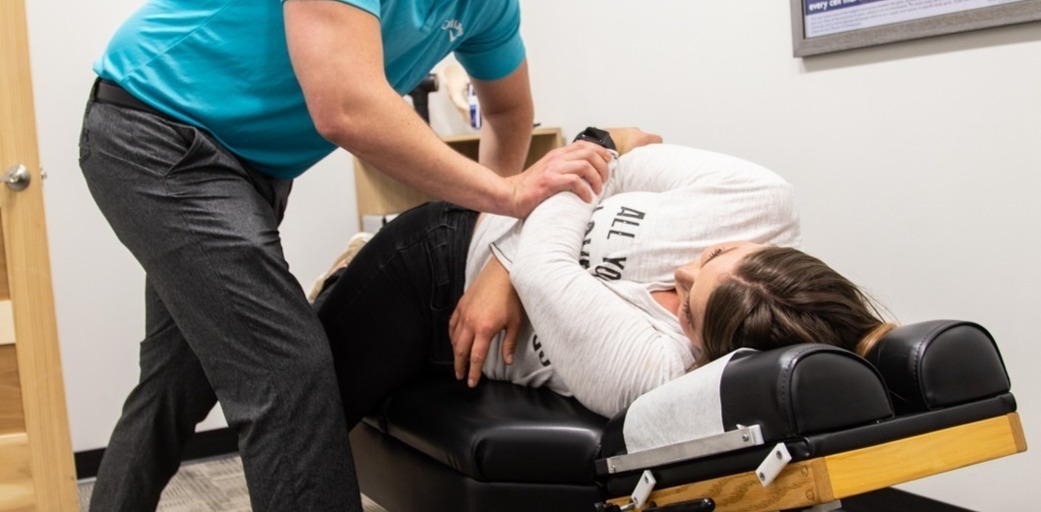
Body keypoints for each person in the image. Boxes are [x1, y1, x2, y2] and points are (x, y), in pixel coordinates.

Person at [79, 0, 629, 512]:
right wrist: (505, 195)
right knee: (289, 366)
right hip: (155, 135)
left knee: (178, 381)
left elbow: (507, 115)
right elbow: (345, 106)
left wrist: (484, 244)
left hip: (248, 172)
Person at [313, 131, 893, 422]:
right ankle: (349, 272)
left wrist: (595, 153)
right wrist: (505, 264)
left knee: (301, 408)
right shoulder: (761, 202)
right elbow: (619, 165)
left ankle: (340, 282)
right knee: (291, 396)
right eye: (714, 254)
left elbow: (549, 259)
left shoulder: (658, 371)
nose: (682, 269)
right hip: (442, 250)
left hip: (451, 327)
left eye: (687, 305)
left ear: (713, 352)